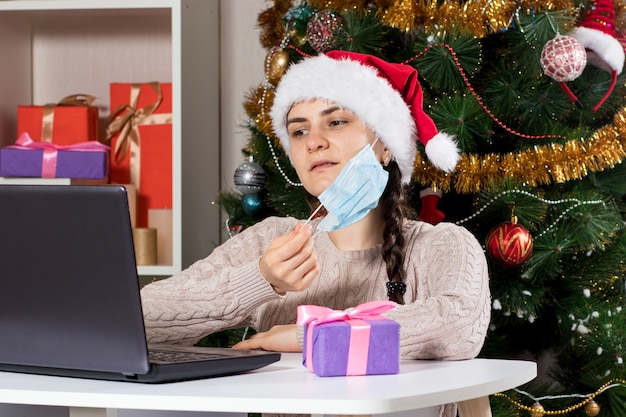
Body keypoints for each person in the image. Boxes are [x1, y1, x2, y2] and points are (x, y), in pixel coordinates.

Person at [141, 50, 490, 370]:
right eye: (299, 130)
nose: (313, 142)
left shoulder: (443, 246)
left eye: (336, 122)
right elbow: (140, 319)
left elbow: (458, 326)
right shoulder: (269, 242)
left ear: (386, 145)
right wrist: (259, 281)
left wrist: (307, 336)